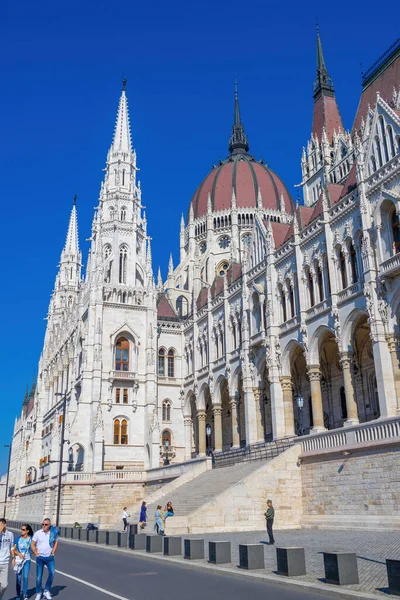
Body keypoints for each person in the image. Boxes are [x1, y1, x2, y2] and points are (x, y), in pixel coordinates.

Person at [31, 518, 59, 600]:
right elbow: (32, 543)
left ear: (49, 525)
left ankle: (46, 591)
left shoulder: (53, 533)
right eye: (43, 524)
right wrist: (36, 553)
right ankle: (39, 593)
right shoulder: (38, 533)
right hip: (40, 557)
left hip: (50, 558)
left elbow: (56, 542)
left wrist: (53, 551)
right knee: (39, 577)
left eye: (46, 524)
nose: (44, 526)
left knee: (52, 573)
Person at [12, 523, 33, 600]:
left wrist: (34, 551)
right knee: (18, 578)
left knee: (25, 577)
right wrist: (18, 554)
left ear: (27, 531)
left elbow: (33, 548)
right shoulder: (18, 539)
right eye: (21, 529)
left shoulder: (31, 539)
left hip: (27, 560)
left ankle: (24, 595)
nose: (22, 531)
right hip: (19, 561)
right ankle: (18, 595)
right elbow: (13, 549)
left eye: (23, 530)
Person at [0, 518, 14, 599]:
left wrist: (13, 558)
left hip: (5, 563)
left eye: (1, 524)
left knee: (4, 585)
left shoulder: (10, 534)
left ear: (5, 525)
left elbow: (11, 547)